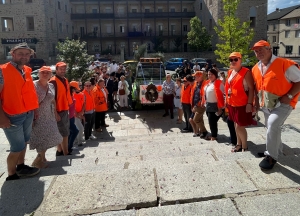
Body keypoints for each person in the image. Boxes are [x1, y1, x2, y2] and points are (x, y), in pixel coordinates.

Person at [251, 40, 300, 170]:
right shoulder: (255, 68)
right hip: (266, 104)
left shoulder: (285, 64)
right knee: (271, 127)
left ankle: (271, 156)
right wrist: (256, 104)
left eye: (261, 49)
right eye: (256, 51)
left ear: (269, 49)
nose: (258, 52)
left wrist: (289, 96)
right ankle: (276, 149)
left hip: (283, 103)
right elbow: (257, 88)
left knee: (272, 125)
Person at [0, 42, 40, 181]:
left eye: (27, 54)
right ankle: (11, 175)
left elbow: (29, 92)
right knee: (16, 147)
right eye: (20, 53)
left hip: (27, 113)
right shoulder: (2, 70)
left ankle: (21, 166)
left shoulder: (27, 70)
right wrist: (2, 117)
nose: (24, 56)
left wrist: (34, 110)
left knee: (24, 143)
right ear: (13, 54)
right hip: (12, 116)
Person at [30, 66, 63, 168]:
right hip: (37, 115)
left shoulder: (51, 86)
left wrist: (56, 113)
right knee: (41, 137)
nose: (45, 74)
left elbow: (53, 100)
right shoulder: (33, 85)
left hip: (49, 115)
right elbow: (29, 101)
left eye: (47, 72)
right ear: (38, 74)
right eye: (43, 72)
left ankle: (42, 158)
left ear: (51, 75)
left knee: (51, 136)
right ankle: (38, 161)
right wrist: (32, 114)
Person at [225, 52, 255, 153]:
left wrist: (249, 103)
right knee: (235, 124)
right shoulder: (230, 72)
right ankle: (239, 144)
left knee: (239, 126)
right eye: (231, 60)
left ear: (240, 60)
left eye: (235, 59)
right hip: (232, 102)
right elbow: (229, 86)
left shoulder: (246, 72)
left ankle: (245, 146)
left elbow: (251, 88)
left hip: (242, 103)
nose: (233, 61)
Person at [49, 62, 73, 156]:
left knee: (60, 131)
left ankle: (59, 151)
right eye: (61, 69)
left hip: (64, 108)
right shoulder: (53, 81)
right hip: (58, 110)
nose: (63, 71)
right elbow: (51, 99)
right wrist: (55, 113)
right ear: (56, 69)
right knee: (65, 132)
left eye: (64, 69)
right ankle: (65, 153)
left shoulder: (64, 80)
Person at [201, 69, 225, 141]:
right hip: (208, 104)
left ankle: (214, 136)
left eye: (211, 74)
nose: (210, 76)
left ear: (215, 75)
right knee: (211, 121)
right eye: (208, 74)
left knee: (212, 121)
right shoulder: (208, 83)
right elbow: (204, 93)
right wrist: (203, 102)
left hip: (216, 105)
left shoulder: (219, 83)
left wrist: (221, 107)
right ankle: (213, 134)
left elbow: (224, 94)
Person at [189, 71, 208, 137]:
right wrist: (193, 105)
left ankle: (204, 131)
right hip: (195, 104)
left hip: (200, 105)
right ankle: (202, 132)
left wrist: (196, 106)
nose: (194, 77)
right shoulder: (196, 83)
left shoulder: (204, 84)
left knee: (195, 119)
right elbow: (194, 95)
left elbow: (203, 96)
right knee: (200, 119)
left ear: (200, 77)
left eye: (196, 76)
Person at [71, 81, 85, 146]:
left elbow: (84, 104)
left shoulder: (82, 94)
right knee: (80, 128)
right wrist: (77, 114)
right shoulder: (71, 95)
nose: (79, 87)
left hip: (79, 114)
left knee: (78, 129)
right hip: (74, 115)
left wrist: (82, 112)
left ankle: (77, 141)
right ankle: (78, 141)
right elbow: (71, 106)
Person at [68, 85, 79, 153]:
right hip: (68, 117)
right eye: (75, 89)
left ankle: (68, 147)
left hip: (72, 116)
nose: (76, 90)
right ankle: (69, 147)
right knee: (75, 131)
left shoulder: (72, 95)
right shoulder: (68, 97)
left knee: (71, 132)